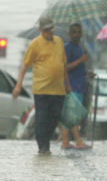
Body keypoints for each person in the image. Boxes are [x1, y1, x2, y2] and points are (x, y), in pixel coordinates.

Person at [12, 16, 71, 155]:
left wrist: (67, 85)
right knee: (41, 118)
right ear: (40, 30)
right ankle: (43, 146)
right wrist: (18, 86)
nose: (49, 31)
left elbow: (63, 66)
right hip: (41, 89)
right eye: (46, 29)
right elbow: (25, 66)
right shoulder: (35, 44)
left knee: (55, 118)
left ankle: (46, 140)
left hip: (58, 90)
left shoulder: (59, 42)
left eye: (51, 28)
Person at [61, 23, 92, 150]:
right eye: (73, 32)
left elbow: (79, 69)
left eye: (78, 32)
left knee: (70, 115)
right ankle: (78, 141)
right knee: (72, 115)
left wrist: (88, 73)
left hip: (80, 86)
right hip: (71, 86)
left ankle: (65, 141)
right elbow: (65, 67)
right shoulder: (67, 48)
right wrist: (80, 60)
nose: (76, 35)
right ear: (69, 34)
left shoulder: (80, 48)